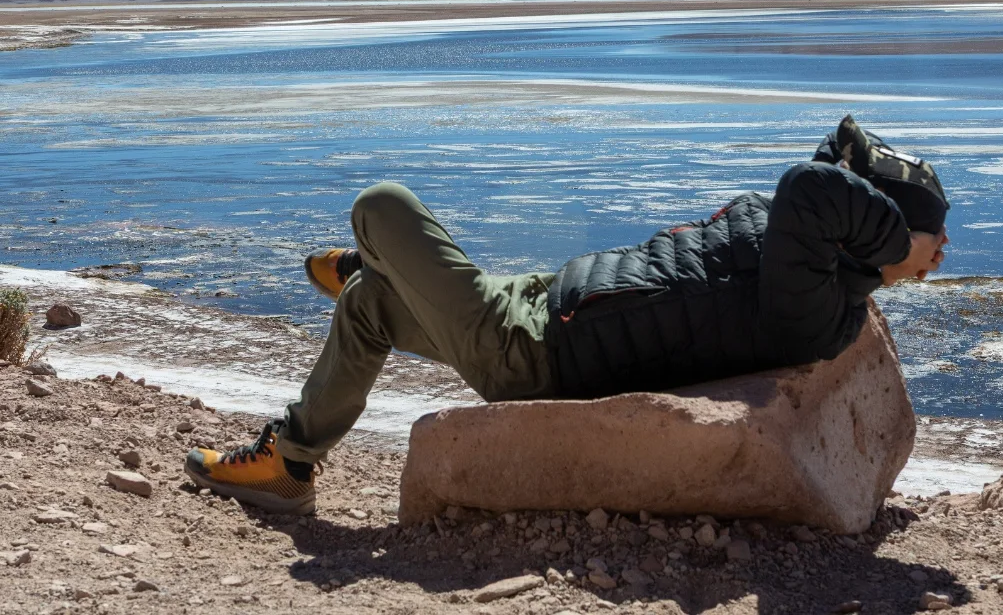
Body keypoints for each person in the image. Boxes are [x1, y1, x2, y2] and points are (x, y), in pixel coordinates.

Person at [184, 115, 949, 514]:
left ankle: (367, 256)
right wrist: (881, 193)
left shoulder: (817, 310)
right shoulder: (806, 261)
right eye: (932, 232)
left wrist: (905, 241)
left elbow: (806, 190)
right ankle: (290, 462)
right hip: (544, 304)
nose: (941, 250)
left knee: (378, 206)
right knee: (368, 311)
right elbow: (822, 174)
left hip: (536, 354)